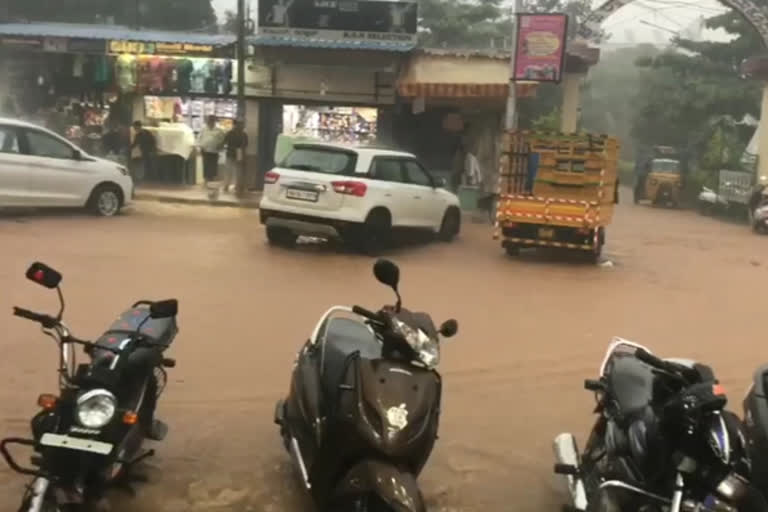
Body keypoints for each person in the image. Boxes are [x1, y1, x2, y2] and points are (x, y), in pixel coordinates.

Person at [197, 115, 224, 185]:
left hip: (214, 151)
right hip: (205, 150)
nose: (210, 122)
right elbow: (199, 138)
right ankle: (206, 181)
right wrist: (200, 147)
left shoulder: (219, 130)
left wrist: (220, 145)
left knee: (213, 167)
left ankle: (211, 182)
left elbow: (223, 140)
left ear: (214, 121)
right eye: (209, 120)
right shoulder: (203, 129)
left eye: (211, 120)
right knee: (206, 166)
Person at [223, 120, 248, 194]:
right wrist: (243, 156)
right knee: (237, 171)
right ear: (236, 125)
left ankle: (228, 186)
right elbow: (244, 146)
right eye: (240, 124)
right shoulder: (243, 134)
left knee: (231, 171)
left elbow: (224, 142)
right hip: (237, 153)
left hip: (231, 153)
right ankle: (236, 187)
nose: (242, 126)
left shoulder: (230, 133)